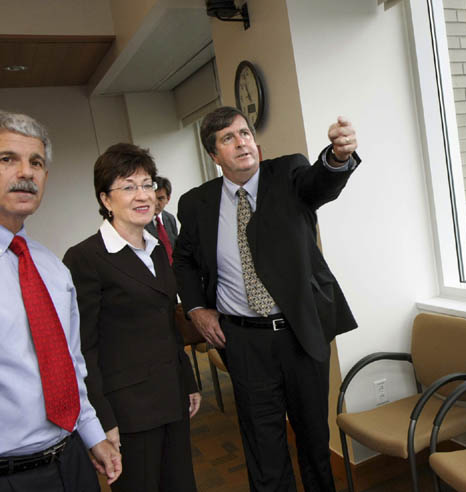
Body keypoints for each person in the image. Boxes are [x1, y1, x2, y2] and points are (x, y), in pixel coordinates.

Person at [173, 106, 360, 491]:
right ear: (214, 155)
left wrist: (338, 157)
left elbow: (320, 183)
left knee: (314, 441)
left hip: (299, 335)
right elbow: (185, 260)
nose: (241, 142)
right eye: (228, 138)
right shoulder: (196, 204)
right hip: (243, 341)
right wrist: (196, 309)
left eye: (244, 133)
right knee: (263, 447)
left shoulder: (288, 174)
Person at [62, 143, 201, 492]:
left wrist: (188, 381)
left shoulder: (157, 249)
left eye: (147, 184)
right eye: (128, 186)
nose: (142, 195)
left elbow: (167, 324)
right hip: (128, 412)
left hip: (172, 397)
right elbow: (83, 348)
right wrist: (101, 419)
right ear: (106, 200)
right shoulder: (85, 258)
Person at [0, 111, 121, 491]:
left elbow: (69, 363)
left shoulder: (51, 268)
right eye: (7, 159)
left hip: (72, 460)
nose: (26, 172)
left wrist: (92, 433)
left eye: (36, 162)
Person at [144, 176, 178, 263]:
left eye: (160, 198)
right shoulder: (141, 221)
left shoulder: (170, 219)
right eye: (153, 198)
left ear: (168, 199)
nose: (156, 203)